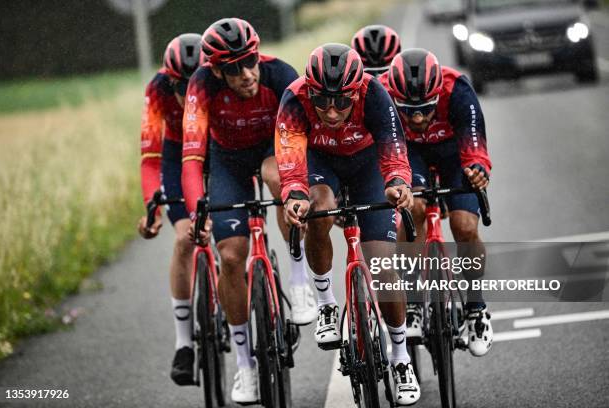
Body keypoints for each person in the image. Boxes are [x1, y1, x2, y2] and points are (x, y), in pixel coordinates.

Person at [277, 43, 421, 406]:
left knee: (383, 265)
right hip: (320, 163)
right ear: (310, 90)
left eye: (342, 102)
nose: (330, 110)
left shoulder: (375, 93)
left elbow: (393, 148)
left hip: (367, 164)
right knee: (317, 208)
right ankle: (325, 302)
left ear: (356, 92)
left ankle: (401, 356)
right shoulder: (294, 98)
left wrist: (399, 184)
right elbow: (291, 157)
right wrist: (294, 193)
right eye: (322, 100)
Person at [181, 18, 316, 404]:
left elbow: (299, 144)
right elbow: (192, 158)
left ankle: (297, 276)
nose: (246, 74)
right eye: (234, 68)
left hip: (275, 149)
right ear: (216, 71)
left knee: (278, 177)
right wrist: (197, 214)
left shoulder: (279, 74)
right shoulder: (201, 85)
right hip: (228, 162)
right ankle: (245, 365)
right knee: (230, 255)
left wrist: (298, 189)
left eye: (250, 60)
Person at [382, 48, 493, 356]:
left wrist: (478, 169)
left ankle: (476, 306)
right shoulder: (383, 95)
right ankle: (414, 300)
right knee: (413, 206)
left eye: (426, 109)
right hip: (410, 156)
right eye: (409, 110)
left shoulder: (457, 88)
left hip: (452, 156)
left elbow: (474, 142)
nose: (417, 117)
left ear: (437, 95)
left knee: (464, 225)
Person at [137, 33, 203, 385]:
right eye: (179, 84)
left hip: (218, 152)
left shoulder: (221, 83)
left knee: (231, 235)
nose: (185, 93)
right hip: (178, 156)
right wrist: (154, 208)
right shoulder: (158, 90)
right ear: (168, 79)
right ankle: (184, 344)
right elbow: (150, 158)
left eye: (193, 84)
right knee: (184, 240)